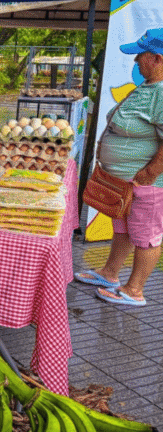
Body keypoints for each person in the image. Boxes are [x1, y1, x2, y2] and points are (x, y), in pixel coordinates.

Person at [74, 28, 163, 307]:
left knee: (146, 237)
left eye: (140, 55)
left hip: (145, 184)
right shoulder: (149, 87)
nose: (135, 61)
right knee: (124, 227)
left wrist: (149, 173)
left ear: (158, 58)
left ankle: (134, 289)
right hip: (124, 182)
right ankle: (110, 273)